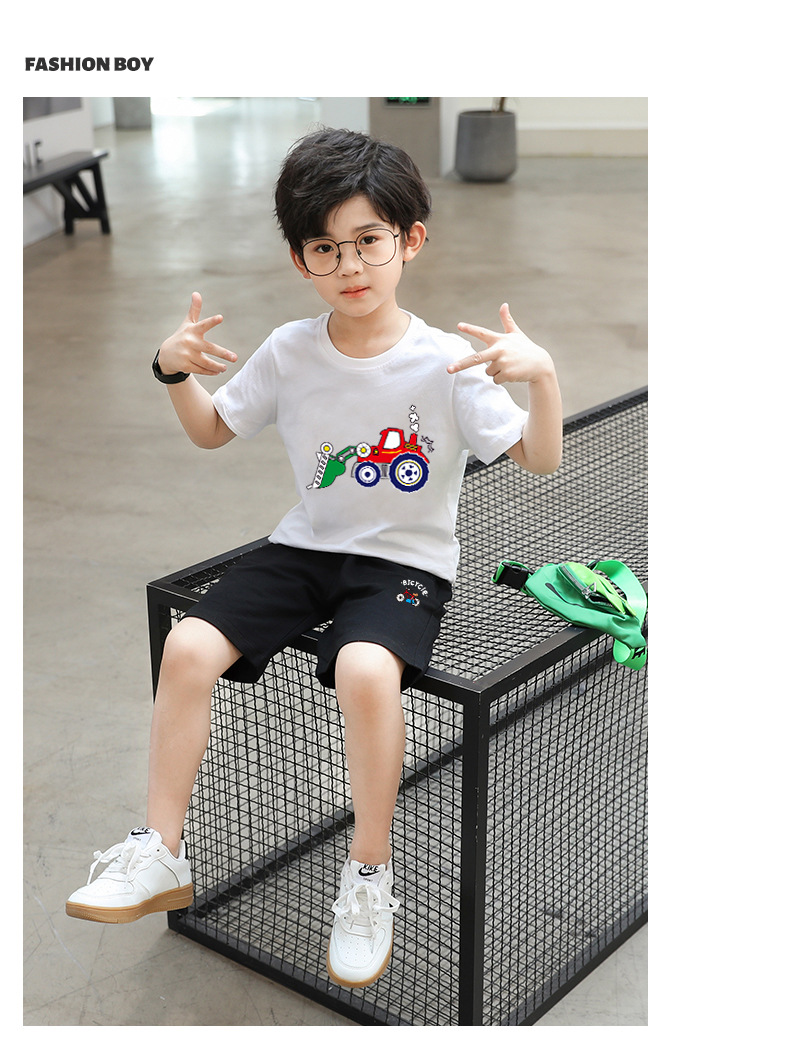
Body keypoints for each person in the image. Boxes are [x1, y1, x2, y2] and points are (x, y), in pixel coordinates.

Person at [66, 128, 563, 989]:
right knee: (187, 646)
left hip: (404, 564)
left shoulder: (447, 361)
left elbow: (540, 458)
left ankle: (368, 872)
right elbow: (213, 431)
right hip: (304, 547)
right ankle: (160, 850)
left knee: (365, 671)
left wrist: (543, 377)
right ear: (300, 260)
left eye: (369, 240)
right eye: (325, 248)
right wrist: (171, 372)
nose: (350, 265)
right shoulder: (291, 349)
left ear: (410, 239)